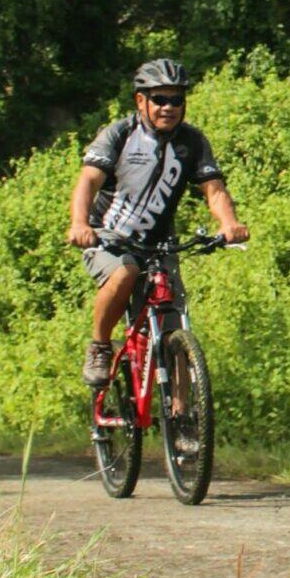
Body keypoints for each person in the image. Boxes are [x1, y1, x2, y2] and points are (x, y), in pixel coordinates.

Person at [68, 59, 250, 389]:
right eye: (160, 99)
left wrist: (229, 223)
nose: (169, 107)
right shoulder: (120, 135)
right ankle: (99, 346)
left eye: (176, 100)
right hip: (109, 238)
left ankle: (184, 423)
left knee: (175, 324)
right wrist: (80, 224)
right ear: (141, 101)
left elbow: (214, 190)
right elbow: (89, 181)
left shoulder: (193, 142)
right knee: (125, 273)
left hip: (159, 244)